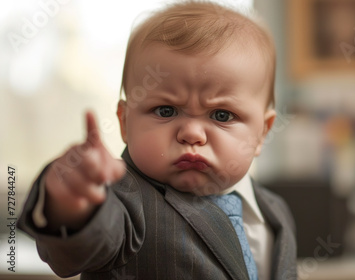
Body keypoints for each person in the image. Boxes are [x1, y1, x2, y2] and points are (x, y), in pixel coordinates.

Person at [17, 1, 297, 280]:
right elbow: (81, 248)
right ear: (125, 122)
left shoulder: (275, 211)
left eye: (222, 115)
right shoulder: (125, 199)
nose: (192, 134)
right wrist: (71, 203)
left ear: (262, 132)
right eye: (166, 110)